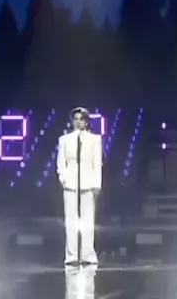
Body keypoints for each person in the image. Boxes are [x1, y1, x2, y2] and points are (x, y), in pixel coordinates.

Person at [57, 107, 102, 265]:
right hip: (70, 184)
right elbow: (60, 163)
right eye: (76, 119)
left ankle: (87, 254)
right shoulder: (64, 140)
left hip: (88, 183)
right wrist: (63, 178)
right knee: (71, 221)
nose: (78, 122)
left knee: (88, 221)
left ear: (86, 121)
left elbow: (97, 163)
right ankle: (72, 255)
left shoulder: (94, 139)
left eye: (81, 119)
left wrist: (97, 184)